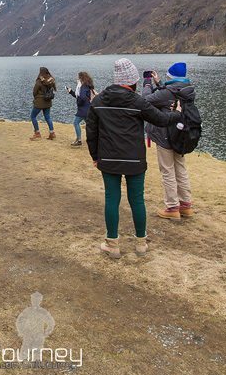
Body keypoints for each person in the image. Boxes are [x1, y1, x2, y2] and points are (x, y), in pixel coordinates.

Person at [86, 58, 183, 258]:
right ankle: (140, 244)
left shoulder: (99, 101)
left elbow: (91, 132)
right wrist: (177, 114)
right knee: (137, 200)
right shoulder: (138, 102)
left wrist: (95, 156)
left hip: (109, 159)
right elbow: (162, 119)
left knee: (112, 199)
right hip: (134, 159)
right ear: (133, 81)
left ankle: (112, 244)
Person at [142, 62, 196, 220]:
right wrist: (159, 84)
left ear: (171, 76)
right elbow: (166, 97)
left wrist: (147, 82)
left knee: (167, 171)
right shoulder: (187, 90)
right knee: (180, 169)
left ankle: (172, 207)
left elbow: (145, 100)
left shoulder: (168, 92)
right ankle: (185, 205)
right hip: (181, 136)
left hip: (166, 136)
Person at [66, 72, 95, 147]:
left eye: (78, 77)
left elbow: (81, 97)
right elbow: (79, 96)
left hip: (83, 109)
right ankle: (94, 139)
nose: (77, 79)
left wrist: (79, 103)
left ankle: (79, 140)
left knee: (76, 123)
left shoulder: (83, 86)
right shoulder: (86, 85)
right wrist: (71, 92)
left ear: (81, 78)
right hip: (87, 108)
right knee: (89, 125)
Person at [30, 67, 57, 140]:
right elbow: (54, 89)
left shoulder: (39, 81)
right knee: (47, 117)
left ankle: (37, 133)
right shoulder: (51, 80)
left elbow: (34, 92)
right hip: (48, 101)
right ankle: (52, 133)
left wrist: (36, 98)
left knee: (33, 116)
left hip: (39, 102)